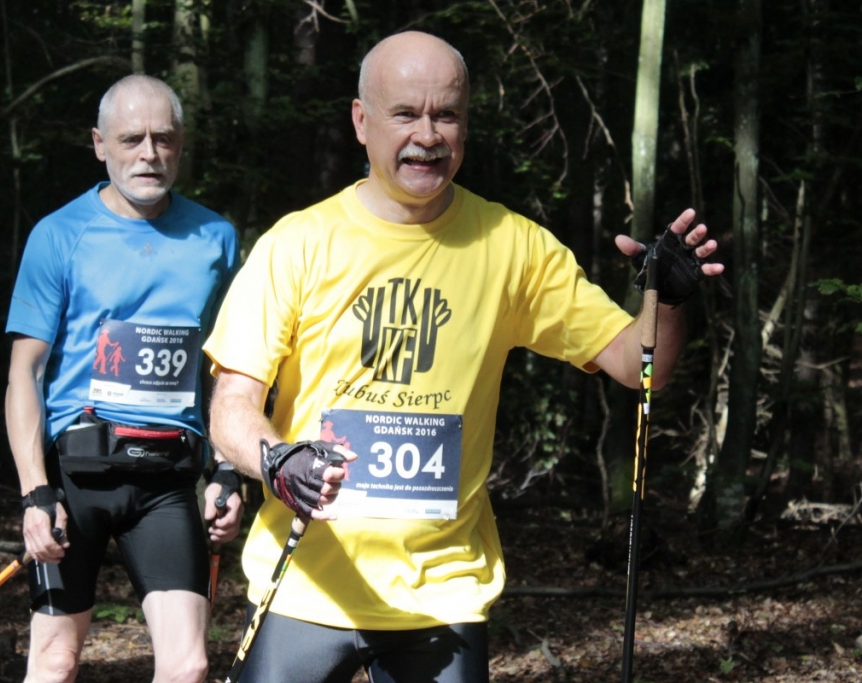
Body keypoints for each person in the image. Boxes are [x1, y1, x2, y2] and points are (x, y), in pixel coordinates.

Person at [204, 31, 724, 683]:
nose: (427, 136)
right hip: (307, 582)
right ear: (362, 122)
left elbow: (640, 367)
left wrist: (666, 300)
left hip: (442, 593)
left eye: (445, 115)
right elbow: (231, 406)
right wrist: (278, 460)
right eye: (405, 114)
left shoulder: (512, 246)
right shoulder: (298, 243)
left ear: (466, 126)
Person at [5, 74, 243, 683]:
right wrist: (35, 494)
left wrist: (226, 471)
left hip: (166, 477)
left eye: (163, 139)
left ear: (181, 143)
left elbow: (227, 367)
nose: (149, 154)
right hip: (75, 477)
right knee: (55, 661)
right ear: (99, 144)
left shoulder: (215, 238)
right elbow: (25, 371)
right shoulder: (59, 234)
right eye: (131, 139)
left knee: (188, 666)